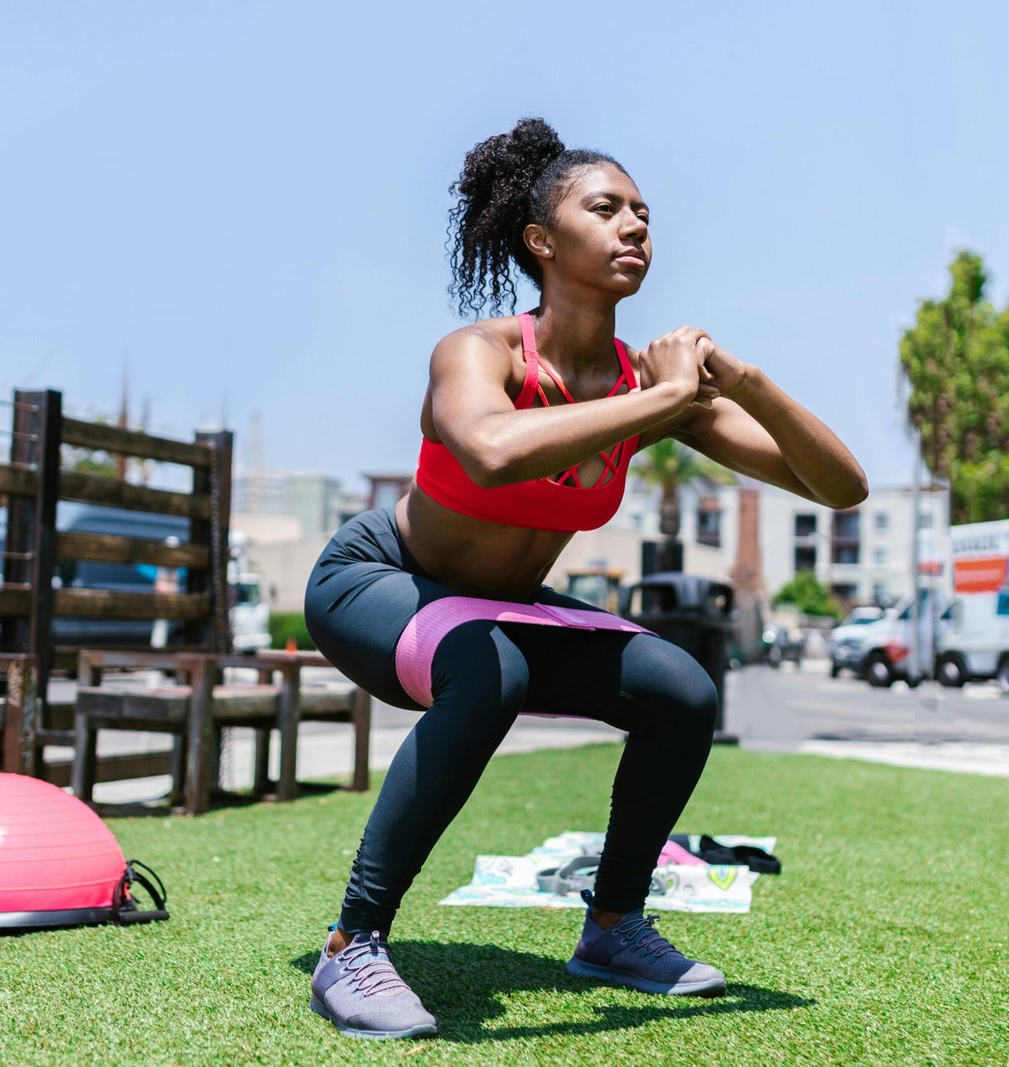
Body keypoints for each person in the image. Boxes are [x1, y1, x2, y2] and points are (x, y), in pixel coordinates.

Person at [304, 118, 867, 1040]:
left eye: (643, 213)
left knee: (683, 689)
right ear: (542, 240)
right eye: (605, 209)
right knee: (491, 672)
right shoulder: (479, 352)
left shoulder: (647, 387)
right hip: (382, 578)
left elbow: (840, 487)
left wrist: (746, 381)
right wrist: (662, 399)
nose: (635, 226)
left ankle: (611, 926)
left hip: (501, 608)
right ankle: (352, 945)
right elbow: (488, 452)